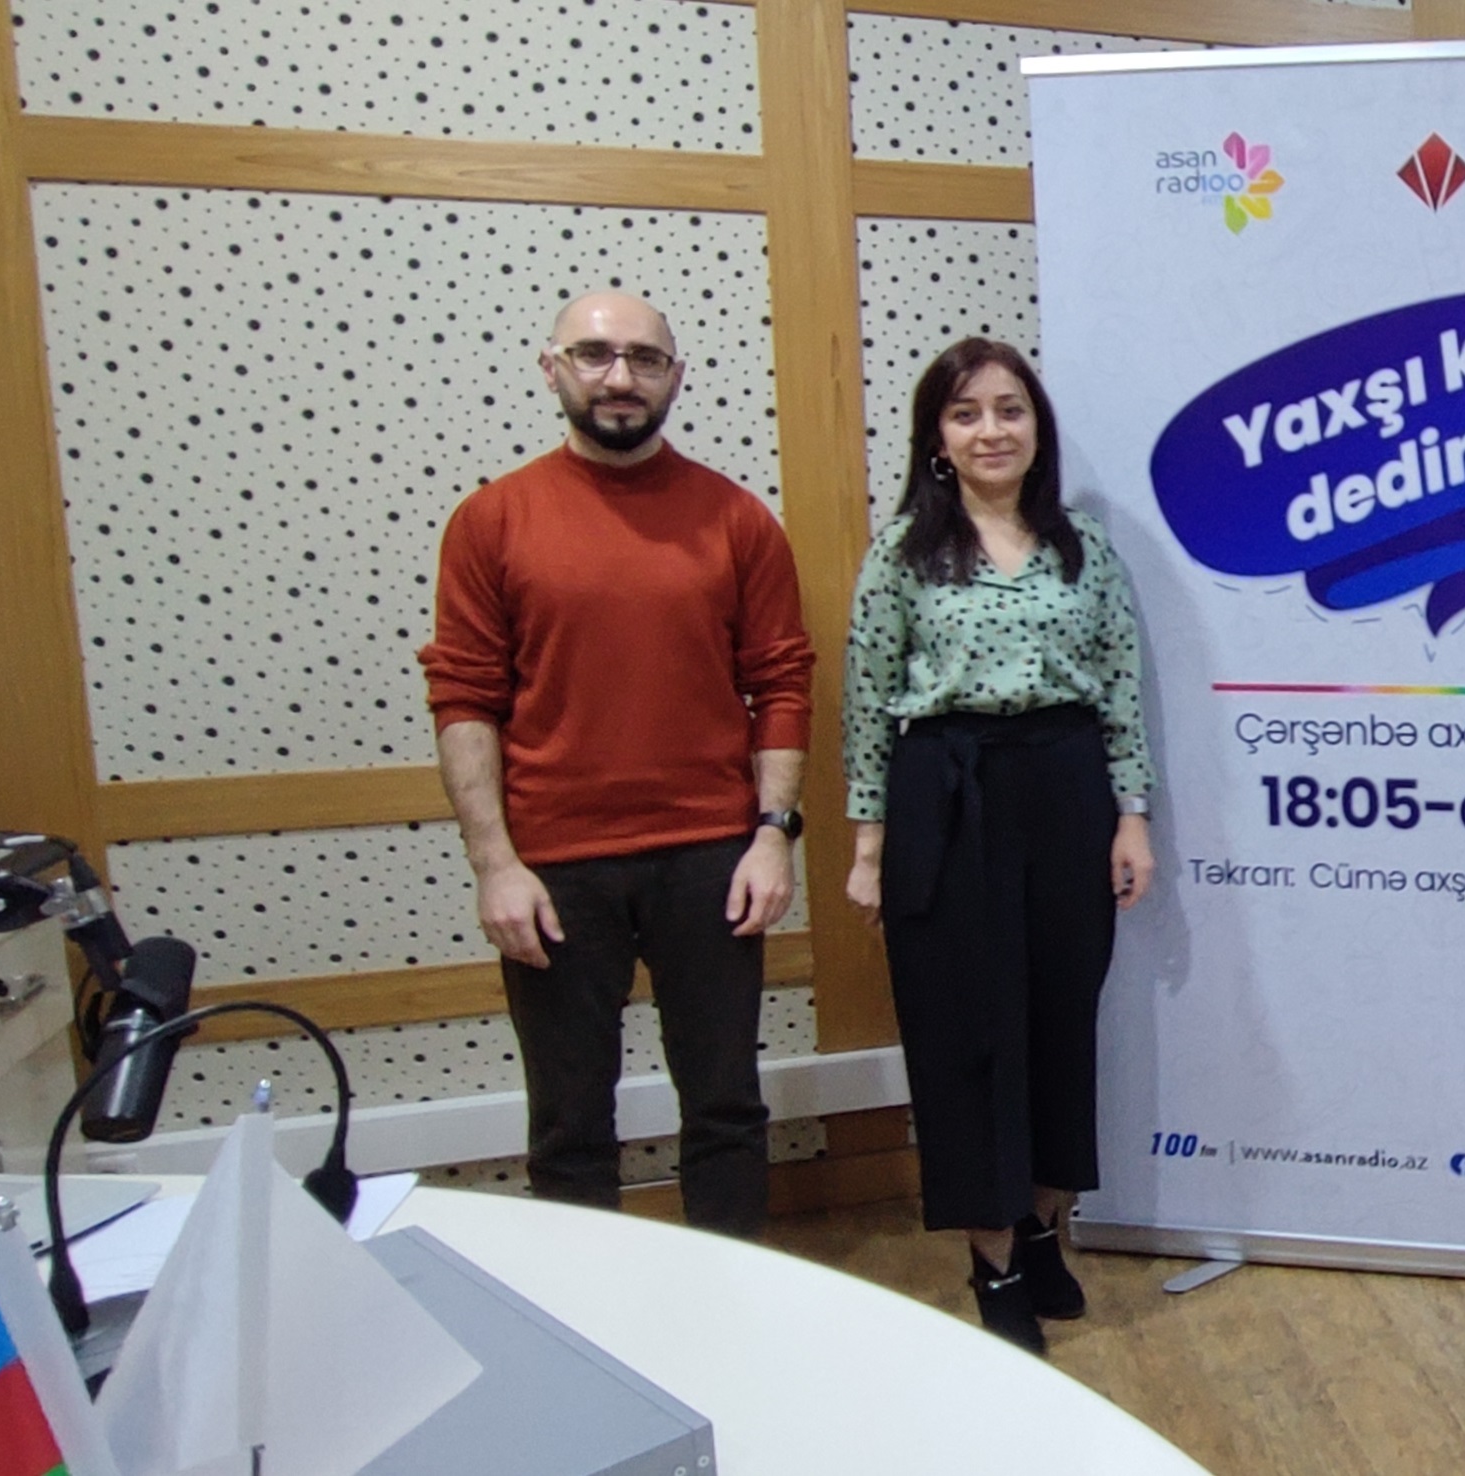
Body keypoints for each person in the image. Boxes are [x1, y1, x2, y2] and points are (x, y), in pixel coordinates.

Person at [422, 291, 815, 1238]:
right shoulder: (491, 520)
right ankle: (584, 1308)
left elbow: (781, 684)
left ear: (675, 377)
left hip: (712, 858)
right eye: (595, 355)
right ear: (551, 368)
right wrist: (493, 864)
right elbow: (464, 698)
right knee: (569, 1124)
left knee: (726, 1108)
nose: (620, 377)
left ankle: (729, 1299)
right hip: (555, 868)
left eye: (644, 358)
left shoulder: (737, 520)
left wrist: (773, 836)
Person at [841, 337, 1157, 1357]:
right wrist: (867, 846)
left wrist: (1132, 815)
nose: (990, 431)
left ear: (1037, 428)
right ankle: (994, 1263)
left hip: (1065, 787)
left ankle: (1044, 1226)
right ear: (936, 438)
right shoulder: (903, 553)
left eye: (1009, 410)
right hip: (947, 791)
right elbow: (865, 703)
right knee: (967, 1034)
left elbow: (1119, 686)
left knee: (1060, 1021)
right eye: (966, 413)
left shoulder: (1082, 547)